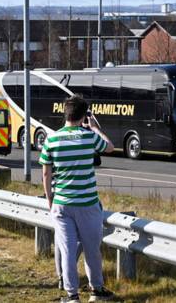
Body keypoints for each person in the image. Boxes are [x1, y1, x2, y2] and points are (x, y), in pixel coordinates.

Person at [39, 95, 115, 303]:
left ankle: (72, 296)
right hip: (88, 204)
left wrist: (50, 200)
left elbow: (46, 174)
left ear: (66, 113)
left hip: (62, 204)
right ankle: (96, 290)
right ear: (83, 116)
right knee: (92, 249)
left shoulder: (51, 139)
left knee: (67, 250)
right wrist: (95, 128)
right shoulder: (88, 137)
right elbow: (110, 147)